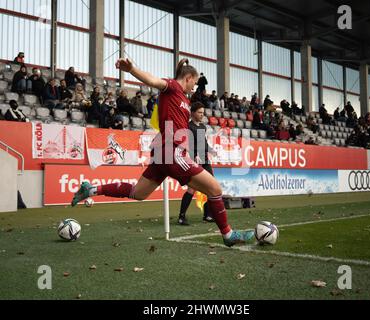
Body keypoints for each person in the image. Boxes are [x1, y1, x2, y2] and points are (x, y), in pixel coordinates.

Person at [71, 58, 254, 247]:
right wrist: (132, 68)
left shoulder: (181, 96)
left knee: (138, 193)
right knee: (215, 189)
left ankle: (91, 189)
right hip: (172, 152)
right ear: (189, 78)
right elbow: (153, 81)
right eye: (195, 82)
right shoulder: (173, 87)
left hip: (163, 154)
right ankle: (228, 235)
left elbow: (177, 82)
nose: (195, 87)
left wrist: (179, 67)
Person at [178, 102, 216, 226]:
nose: (202, 115)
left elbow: (203, 143)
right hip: (195, 161)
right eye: (199, 112)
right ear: (193, 113)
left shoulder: (202, 127)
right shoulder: (188, 127)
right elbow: (188, 144)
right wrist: (194, 155)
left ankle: (208, 215)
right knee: (192, 188)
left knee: (211, 187)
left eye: (203, 113)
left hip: (205, 160)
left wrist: (211, 150)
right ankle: (181, 216)